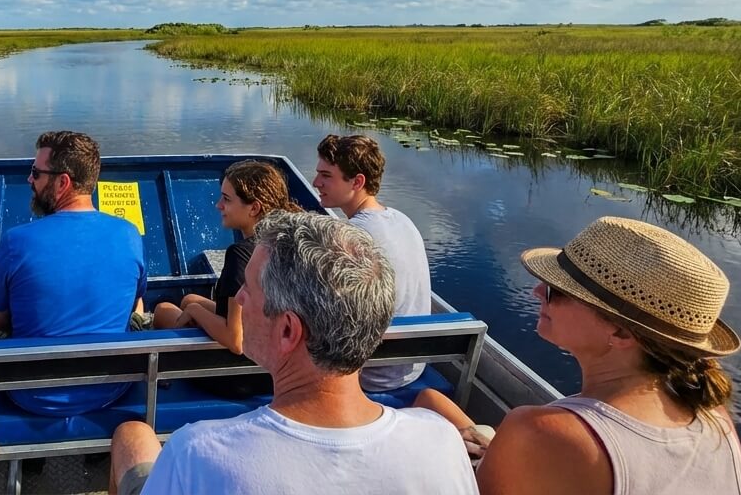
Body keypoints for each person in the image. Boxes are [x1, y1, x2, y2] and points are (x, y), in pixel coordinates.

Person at [110, 211, 478, 495]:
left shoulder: (198, 453)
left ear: (287, 330)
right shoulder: (443, 443)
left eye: (249, 291)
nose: (238, 299)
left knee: (132, 436)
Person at [413, 216, 741, 494]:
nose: (537, 291)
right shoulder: (715, 419)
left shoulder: (540, 431)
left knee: (428, 409)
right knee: (432, 401)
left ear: (620, 332)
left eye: (556, 290)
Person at [0, 130, 147, 416]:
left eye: (36, 173)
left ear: (63, 182)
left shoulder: (15, 241)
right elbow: (133, 304)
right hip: (111, 387)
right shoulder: (129, 234)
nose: (29, 180)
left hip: (31, 394)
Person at [152, 161, 300, 396]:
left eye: (227, 200)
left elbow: (236, 339)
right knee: (190, 298)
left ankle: (165, 378)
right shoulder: (289, 242)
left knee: (162, 311)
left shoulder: (241, 255)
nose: (218, 205)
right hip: (277, 365)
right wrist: (193, 306)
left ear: (254, 208)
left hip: (238, 376)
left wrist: (196, 313)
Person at [313, 133, 431, 391]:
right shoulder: (402, 219)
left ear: (357, 182)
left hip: (373, 373)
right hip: (413, 362)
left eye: (326, 176)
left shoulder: (350, 237)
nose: (315, 182)